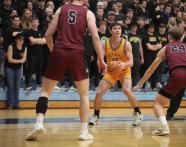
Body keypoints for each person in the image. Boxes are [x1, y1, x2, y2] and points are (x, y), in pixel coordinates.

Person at [26, 0, 106, 141]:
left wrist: (53, 51)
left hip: (60, 51)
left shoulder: (61, 9)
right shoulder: (88, 13)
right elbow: (95, 36)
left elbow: (48, 34)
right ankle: (83, 131)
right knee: (84, 95)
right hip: (77, 53)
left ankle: (38, 123)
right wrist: (101, 59)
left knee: (45, 91)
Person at [134, 26, 186, 136]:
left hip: (177, 74)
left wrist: (141, 83)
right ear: (182, 36)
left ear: (169, 36)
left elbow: (151, 69)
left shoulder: (166, 48)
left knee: (158, 104)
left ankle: (164, 127)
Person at [89, 22, 143, 126]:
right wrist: (103, 65)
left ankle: (138, 113)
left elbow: (131, 62)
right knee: (99, 92)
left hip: (124, 70)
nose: (118, 30)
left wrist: (123, 64)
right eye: (115, 28)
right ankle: (96, 116)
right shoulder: (105, 43)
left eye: (119, 28)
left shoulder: (126, 43)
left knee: (126, 90)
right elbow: (99, 59)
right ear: (110, 30)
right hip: (111, 71)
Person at [4, 32, 27, 109]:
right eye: (20, 39)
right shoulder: (11, 46)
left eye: (22, 40)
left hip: (18, 68)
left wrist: (19, 61)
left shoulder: (25, 47)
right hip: (9, 67)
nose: (21, 41)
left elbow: (24, 60)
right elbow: (10, 60)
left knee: (17, 86)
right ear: (16, 40)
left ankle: (16, 104)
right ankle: (10, 104)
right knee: (10, 85)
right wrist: (20, 61)